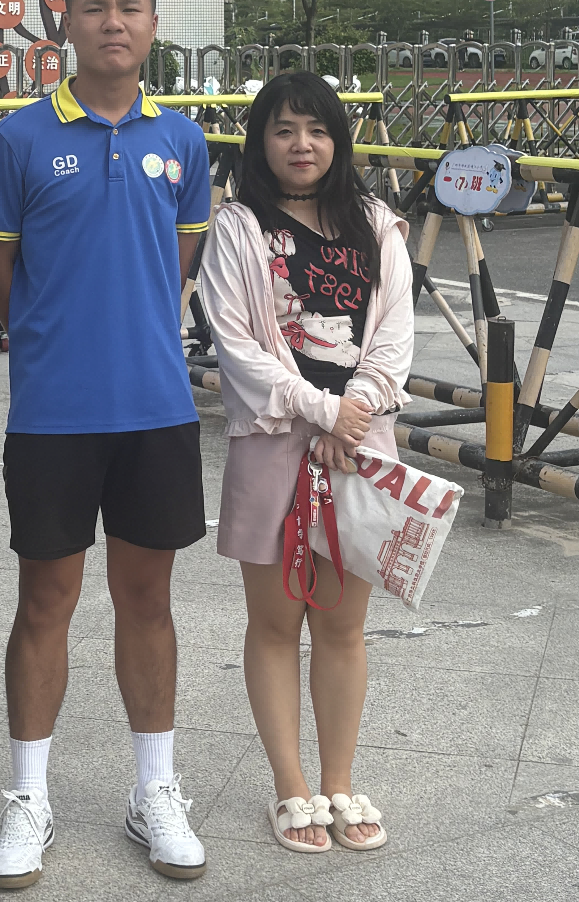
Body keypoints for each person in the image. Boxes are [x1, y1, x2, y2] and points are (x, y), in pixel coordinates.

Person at [0, 0, 212, 888]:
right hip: (53, 413)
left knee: (148, 600)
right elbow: (0, 270)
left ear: (154, 22)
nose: (114, 23)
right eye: (95, 7)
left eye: (130, 8)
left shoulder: (181, 140)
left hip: (156, 406)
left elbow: (178, 263)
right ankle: (28, 798)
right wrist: (50, 338)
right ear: (64, 20)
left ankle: (154, 790)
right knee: (46, 602)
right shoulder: (21, 139)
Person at [199, 71, 413, 855]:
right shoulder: (239, 227)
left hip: (360, 446)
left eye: (317, 130)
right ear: (260, 140)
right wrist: (323, 412)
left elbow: (393, 336)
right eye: (284, 129)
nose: (302, 144)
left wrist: (354, 415)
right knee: (275, 621)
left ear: (338, 140)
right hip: (273, 439)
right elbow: (235, 342)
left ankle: (340, 783)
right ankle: (291, 787)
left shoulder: (376, 224)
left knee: (344, 626)